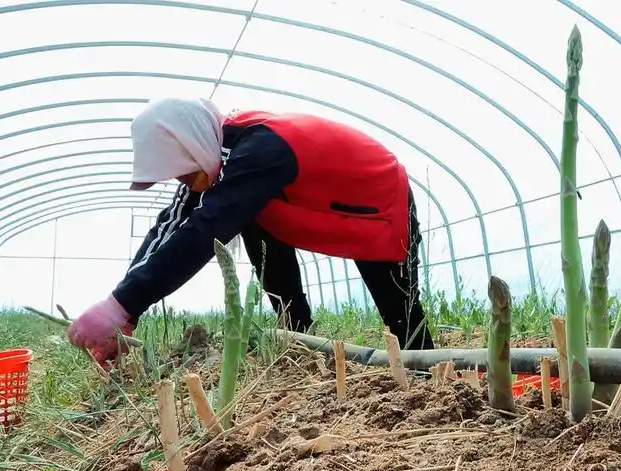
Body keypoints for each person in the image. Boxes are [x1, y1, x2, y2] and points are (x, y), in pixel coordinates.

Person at [66, 97, 435, 366]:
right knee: (250, 216)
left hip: (377, 202)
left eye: (182, 171)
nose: (183, 182)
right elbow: (172, 225)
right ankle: (299, 337)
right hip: (317, 205)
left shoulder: (260, 148)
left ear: (191, 143)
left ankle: (429, 375)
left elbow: (205, 230)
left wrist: (123, 304)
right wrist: (122, 311)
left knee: (401, 314)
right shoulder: (217, 157)